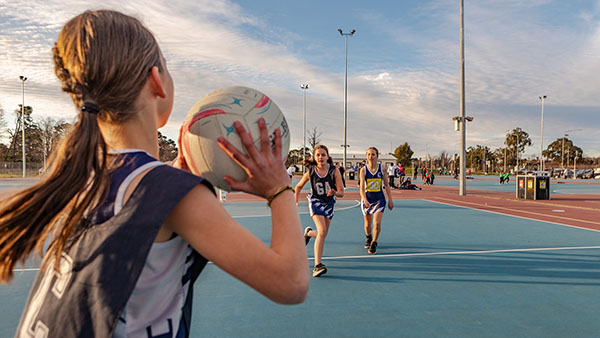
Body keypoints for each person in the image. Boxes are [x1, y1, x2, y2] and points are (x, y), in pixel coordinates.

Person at [0, 10, 308, 338]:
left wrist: (172, 170)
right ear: (155, 80)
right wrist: (279, 189)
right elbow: (290, 282)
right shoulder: (173, 194)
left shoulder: (84, 175)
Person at [294, 145, 344, 277]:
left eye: (323, 154)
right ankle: (317, 265)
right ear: (314, 158)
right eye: (318, 155)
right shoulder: (310, 172)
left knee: (323, 234)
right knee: (322, 231)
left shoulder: (334, 171)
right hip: (315, 202)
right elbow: (298, 187)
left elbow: (341, 193)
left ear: (327, 156)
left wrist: (334, 192)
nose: (320, 157)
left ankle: (309, 233)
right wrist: (295, 200)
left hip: (329, 203)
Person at [359, 147, 394, 254]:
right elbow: (361, 188)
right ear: (366, 156)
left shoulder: (382, 168)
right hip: (368, 200)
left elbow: (387, 185)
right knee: (367, 224)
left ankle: (374, 242)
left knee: (377, 223)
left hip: (379, 199)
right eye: (369, 154)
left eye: (373, 154)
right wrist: (365, 200)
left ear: (377, 156)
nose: (371, 156)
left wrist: (390, 200)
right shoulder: (363, 170)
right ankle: (368, 237)